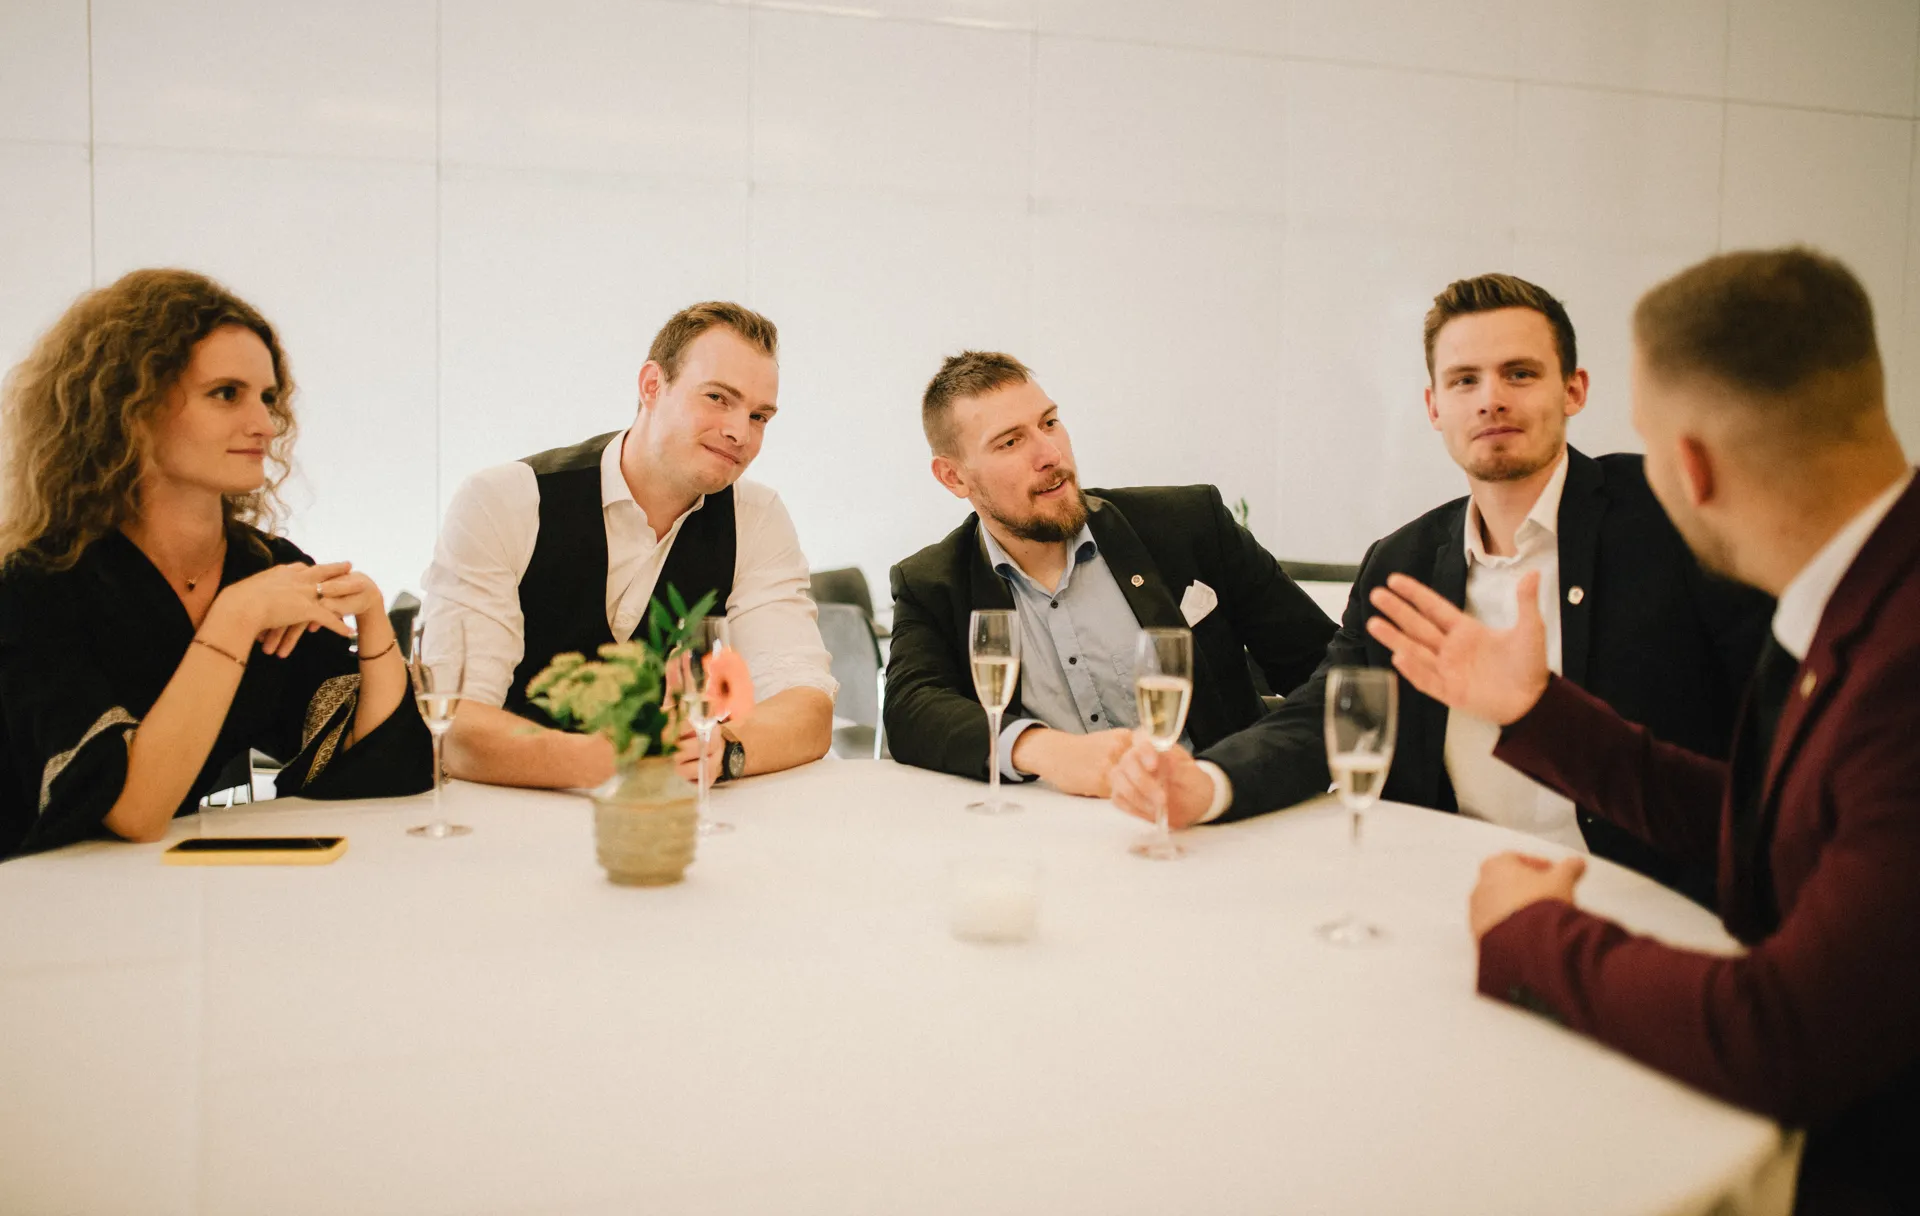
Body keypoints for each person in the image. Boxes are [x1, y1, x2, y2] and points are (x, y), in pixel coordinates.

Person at [1367, 248, 1918, 1214]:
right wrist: (1537, 712)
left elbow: (1786, 1037)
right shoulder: (1868, 595)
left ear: (1689, 469)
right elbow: (1761, 818)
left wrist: (1530, 934)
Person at [1108, 275, 1768, 898]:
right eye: (1464, 380)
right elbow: (1327, 715)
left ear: (1574, 390)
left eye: (1520, 373)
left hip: (1646, 896)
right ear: (1433, 406)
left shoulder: (1674, 521)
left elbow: (1767, 736)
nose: (1490, 398)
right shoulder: (1403, 562)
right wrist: (1210, 784)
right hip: (1446, 887)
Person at [0, 269, 431, 858]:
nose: (265, 425)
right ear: (131, 409)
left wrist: (373, 620)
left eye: (267, 398)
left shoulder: (265, 567)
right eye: (227, 393)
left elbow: (387, 767)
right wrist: (234, 618)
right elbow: (133, 811)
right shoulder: (37, 584)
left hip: (177, 888)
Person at [422, 301, 834, 791]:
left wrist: (725, 751)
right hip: (502, 809)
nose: (739, 432)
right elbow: (454, 723)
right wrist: (615, 762)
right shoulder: (503, 500)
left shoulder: (757, 517)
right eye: (718, 398)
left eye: (759, 416)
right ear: (652, 386)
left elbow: (806, 704)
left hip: (663, 815)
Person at [885, 351, 1336, 798]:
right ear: (953, 477)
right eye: (1010, 442)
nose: (1050, 454)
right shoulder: (933, 582)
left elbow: (1326, 669)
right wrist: (1045, 751)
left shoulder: (1189, 526)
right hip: (1051, 830)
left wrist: (1244, 775)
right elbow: (910, 710)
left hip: (1216, 816)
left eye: (1049, 423)